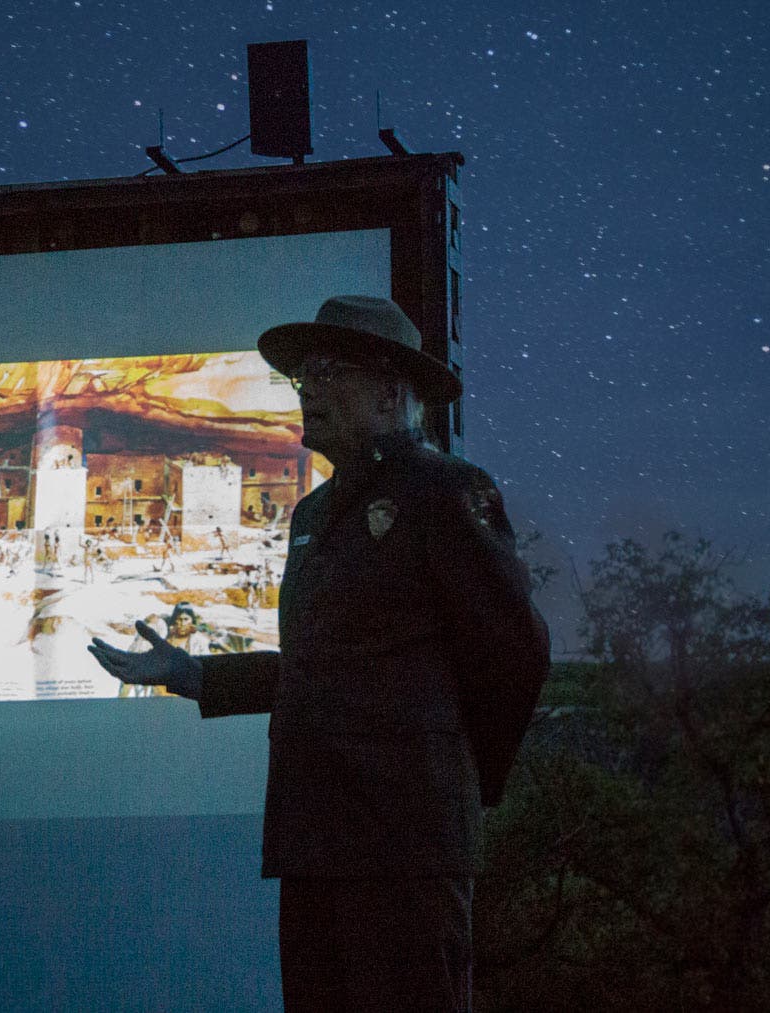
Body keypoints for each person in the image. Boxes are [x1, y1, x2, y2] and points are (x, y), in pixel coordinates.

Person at [89, 294, 550, 1012]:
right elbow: (321, 666)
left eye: (331, 372)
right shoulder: (314, 512)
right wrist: (194, 673)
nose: (310, 391)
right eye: (304, 376)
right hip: (314, 839)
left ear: (392, 391)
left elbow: (515, 652)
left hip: (404, 848)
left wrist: (453, 775)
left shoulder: (446, 491)